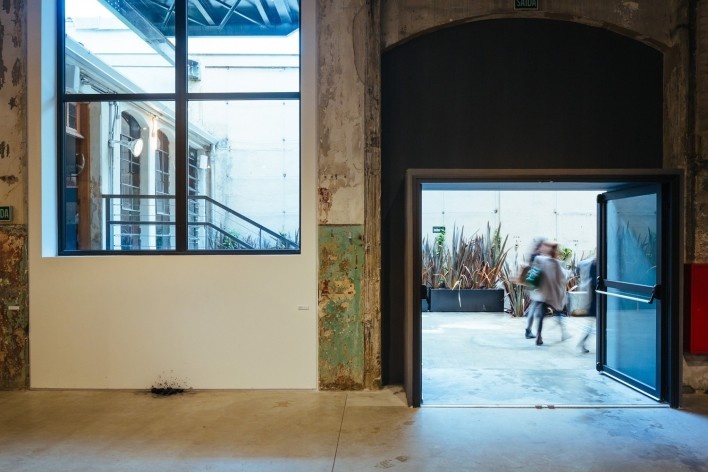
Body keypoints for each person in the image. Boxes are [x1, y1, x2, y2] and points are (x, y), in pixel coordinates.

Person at [527, 240, 569, 346]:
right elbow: (562, 278)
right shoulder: (556, 263)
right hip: (553, 294)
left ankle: (539, 335)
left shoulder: (539, 259)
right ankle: (564, 333)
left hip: (542, 293)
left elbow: (534, 271)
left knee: (541, 315)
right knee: (558, 311)